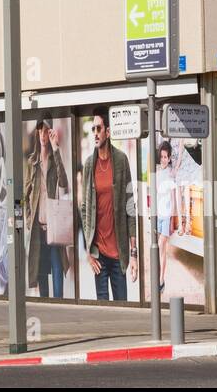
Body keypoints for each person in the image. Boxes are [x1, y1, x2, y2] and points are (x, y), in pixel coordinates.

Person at [78, 108, 136, 301]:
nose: (95, 133)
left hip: (118, 253)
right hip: (98, 253)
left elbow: (130, 206)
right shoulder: (89, 165)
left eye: (98, 128)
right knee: (102, 309)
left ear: (108, 132)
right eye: (93, 128)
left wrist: (133, 253)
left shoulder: (121, 161)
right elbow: (85, 208)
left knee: (122, 307)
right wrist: (88, 250)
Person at [25, 115, 70, 298]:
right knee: (42, 276)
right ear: (37, 134)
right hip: (38, 229)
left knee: (57, 274)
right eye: (40, 132)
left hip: (54, 229)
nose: (43, 136)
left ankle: (59, 307)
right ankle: (47, 311)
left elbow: (64, 182)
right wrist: (28, 218)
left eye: (46, 132)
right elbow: (24, 194)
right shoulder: (32, 162)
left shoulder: (54, 158)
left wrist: (56, 148)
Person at [156, 141, 175, 294]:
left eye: (165, 157)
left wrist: (172, 218)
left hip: (167, 214)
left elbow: (173, 197)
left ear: (169, 158)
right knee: (161, 250)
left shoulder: (171, 173)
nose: (163, 159)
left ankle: (161, 279)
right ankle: (161, 280)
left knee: (160, 244)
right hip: (158, 214)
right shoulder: (156, 172)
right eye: (161, 156)